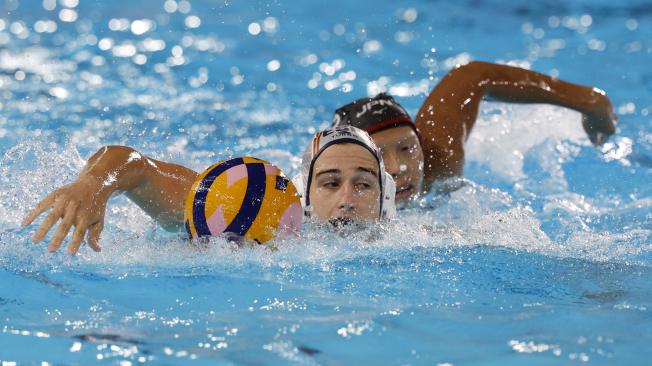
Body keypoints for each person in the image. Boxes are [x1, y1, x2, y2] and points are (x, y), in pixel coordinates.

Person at [20, 126, 395, 255]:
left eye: (364, 184)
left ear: (385, 196)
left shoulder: (422, 240)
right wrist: (92, 185)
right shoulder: (243, 205)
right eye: (330, 183)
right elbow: (132, 164)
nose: (347, 199)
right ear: (305, 196)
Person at [332, 61, 617, 204]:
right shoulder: (330, 195)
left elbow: (473, 76)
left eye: (408, 148)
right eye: (379, 157)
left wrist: (587, 100)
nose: (400, 167)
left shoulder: (437, 158)